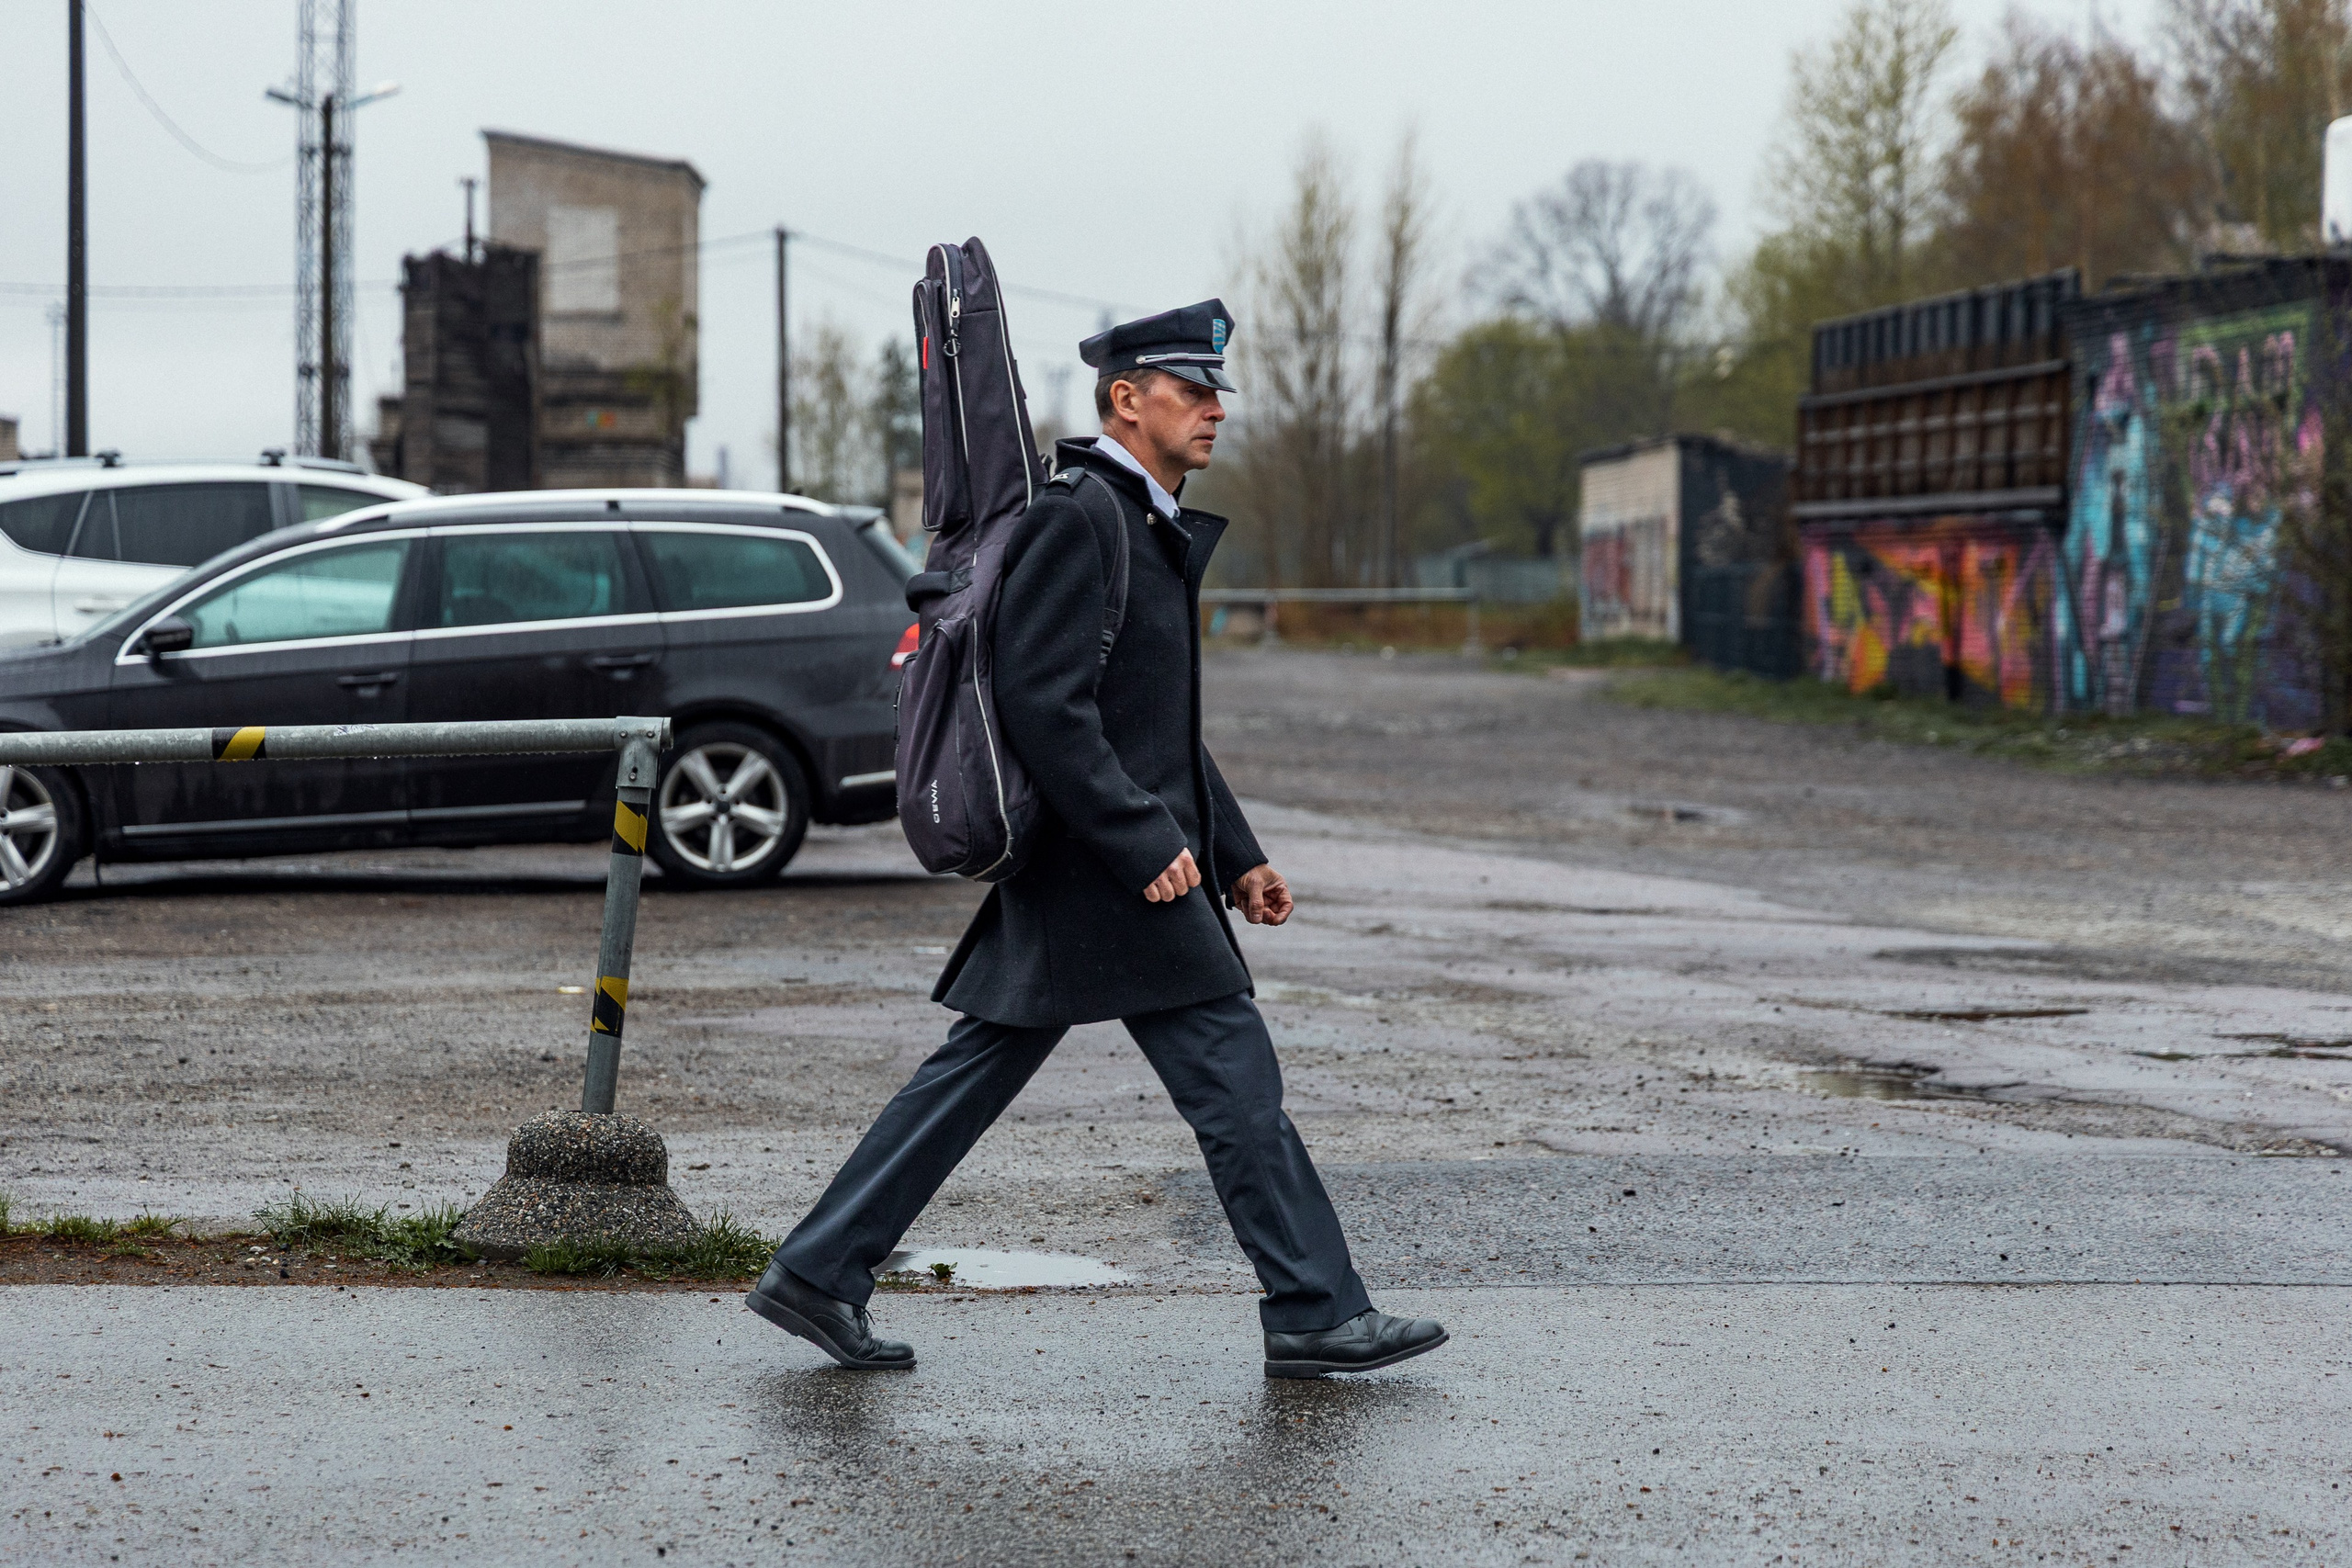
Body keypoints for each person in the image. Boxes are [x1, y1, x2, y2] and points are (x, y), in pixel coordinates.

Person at [745, 300, 1447, 1380]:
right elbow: (1043, 705)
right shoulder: (1085, 518)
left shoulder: (1141, 520)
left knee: (974, 1075)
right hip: (1110, 872)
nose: (1215, 410)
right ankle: (1312, 1307)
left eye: (1216, 393)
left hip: (1116, 864)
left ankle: (818, 1270)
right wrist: (1139, 841)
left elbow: (1151, 727)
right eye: (1191, 391)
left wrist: (1237, 855)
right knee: (1233, 1080)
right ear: (1126, 400)